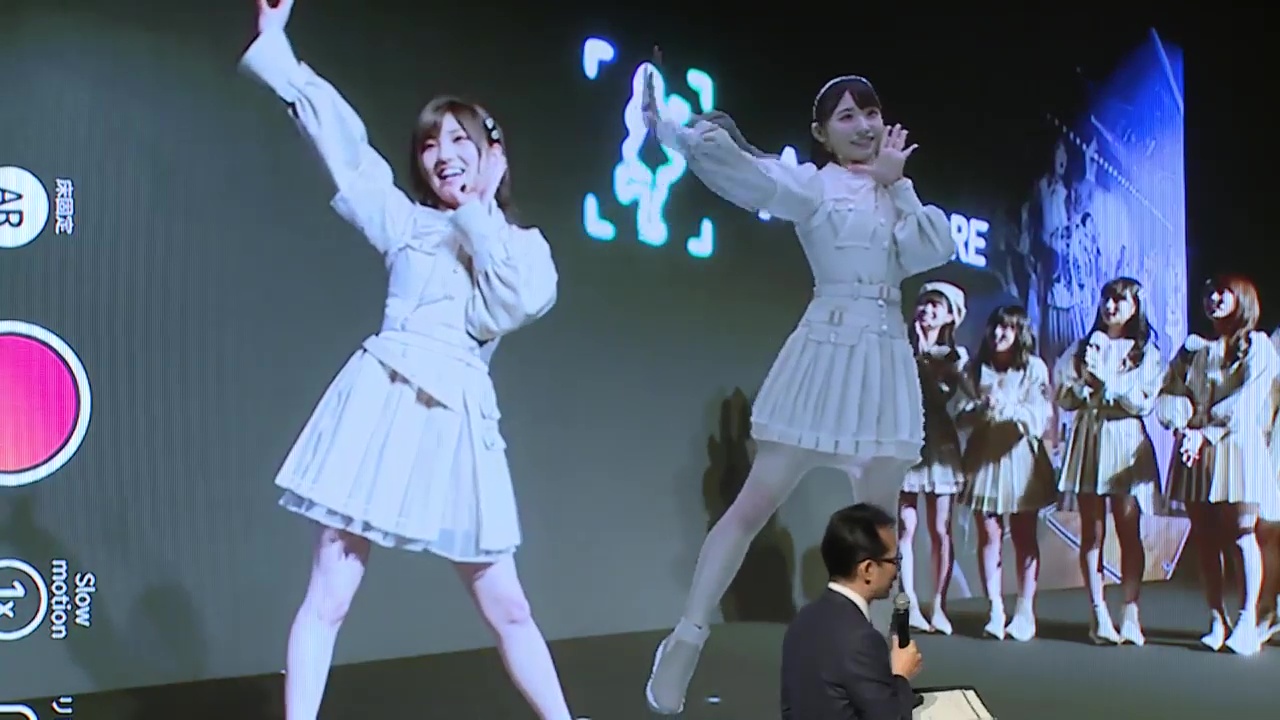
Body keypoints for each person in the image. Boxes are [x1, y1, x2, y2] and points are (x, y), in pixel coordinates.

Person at [239, 2, 572, 718]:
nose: (442, 153)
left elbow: (511, 305)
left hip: (460, 422)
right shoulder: (406, 224)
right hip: (384, 398)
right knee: (330, 590)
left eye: (458, 138)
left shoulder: (524, 248)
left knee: (509, 606)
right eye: (428, 144)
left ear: (492, 152)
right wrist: (278, 49)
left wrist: (478, 209)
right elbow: (347, 149)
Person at [639, 66, 954, 714]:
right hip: (825, 354)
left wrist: (900, 185)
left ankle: (888, 670)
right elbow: (746, 174)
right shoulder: (814, 186)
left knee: (883, 537)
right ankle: (686, 641)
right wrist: (675, 133)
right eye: (846, 116)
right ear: (821, 132)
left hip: (884, 361)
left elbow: (934, 249)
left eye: (870, 112)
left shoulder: (896, 191)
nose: (863, 125)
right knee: (751, 508)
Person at [1156, 275, 1280, 656]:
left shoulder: (1258, 345)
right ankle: (1216, 618)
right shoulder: (1195, 347)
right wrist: (1182, 425)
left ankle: (1248, 619)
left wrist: (1206, 433)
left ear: (1242, 298)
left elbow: (1248, 400)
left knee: (1242, 532)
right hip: (1196, 448)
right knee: (1205, 537)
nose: (1213, 299)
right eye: (1209, 292)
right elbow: (1170, 390)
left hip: (1237, 447)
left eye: (1222, 292)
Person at [1053, 277, 1161, 646]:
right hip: (1090, 437)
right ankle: (1098, 612)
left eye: (1119, 301)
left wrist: (1107, 387)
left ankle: (1131, 612)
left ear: (1135, 307)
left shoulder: (1145, 352)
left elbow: (1145, 401)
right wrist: (1082, 388)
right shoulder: (1082, 347)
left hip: (1125, 439)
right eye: (1106, 300)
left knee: (1129, 529)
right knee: (1092, 531)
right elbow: (1064, 395)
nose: (1110, 307)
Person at [956, 305, 1056, 642]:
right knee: (989, 534)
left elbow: (1040, 416)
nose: (999, 334)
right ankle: (994, 609)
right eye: (995, 327)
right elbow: (959, 414)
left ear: (1020, 333)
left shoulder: (1033, 368)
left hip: (1020, 456)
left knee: (1024, 534)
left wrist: (1009, 408)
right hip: (984, 457)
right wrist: (981, 409)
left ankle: (1025, 611)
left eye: (1008, 328)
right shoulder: (974, 368)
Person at [781, 503, 923, 720]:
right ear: (868, 569)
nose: (897, 571)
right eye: (894, 561)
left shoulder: (802, 620)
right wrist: (901, 675)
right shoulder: (861, 639)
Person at [898, 282, 970, 635]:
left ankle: (939, 605)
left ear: (950, 317)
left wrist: (933, 363)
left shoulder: (955, 356)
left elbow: (950, 398)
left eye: (936, 306)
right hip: (905, 436)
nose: (927, 310)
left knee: (940, 529)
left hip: (939, 441)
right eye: (924, 303)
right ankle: (908, 603)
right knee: (904, 527)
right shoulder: (899, 347)